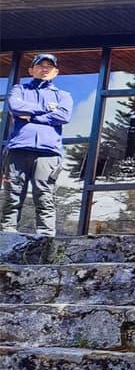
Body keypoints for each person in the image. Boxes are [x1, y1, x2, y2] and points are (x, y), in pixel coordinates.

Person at [2, 53, 73, 236]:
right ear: (31, 70)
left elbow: (63, 116)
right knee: (12, 195)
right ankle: (7, 235)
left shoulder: (63, 95)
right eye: (40, 66)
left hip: (48, 154)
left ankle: (46, 237)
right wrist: (47, 110)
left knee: (44, 196)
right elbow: (15, 107)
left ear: (56, 72)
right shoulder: (19, 90)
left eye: (49, 67)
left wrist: (31, 116)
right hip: (18, 150)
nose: (44, 69)